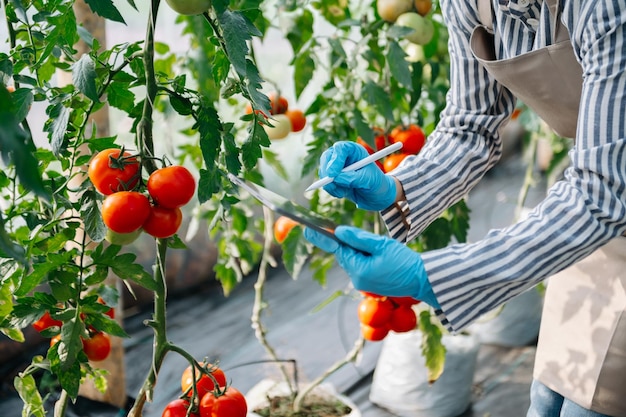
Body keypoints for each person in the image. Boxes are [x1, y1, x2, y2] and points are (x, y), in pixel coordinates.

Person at [303, 0, 626, 416]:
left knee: (593, 404)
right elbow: (472, 121)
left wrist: (431, 278)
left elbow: (602, 193)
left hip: (598, 197)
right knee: (549, 396)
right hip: (592, 214)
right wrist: (397, 188)